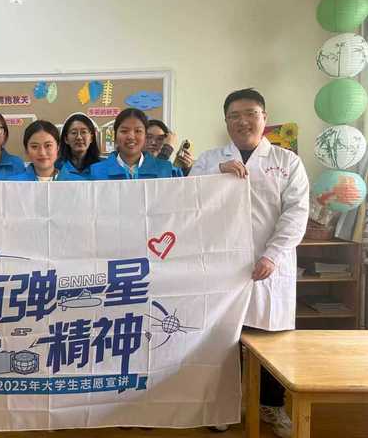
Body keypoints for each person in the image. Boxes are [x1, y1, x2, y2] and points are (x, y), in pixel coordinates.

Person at [190, 89, 309, 438]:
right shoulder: (210, 160)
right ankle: (224, 405)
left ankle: (272, 406)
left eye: (250, 114)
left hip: (268, 267)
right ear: (226, 121)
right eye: (234, 116)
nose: (243, 121)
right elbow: (187, 198)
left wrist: (273, 255)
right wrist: (216, 175)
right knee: (223, 340)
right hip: (221, 268)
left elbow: (296, 213)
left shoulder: (287, 162)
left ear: (264, 117)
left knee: (270, 341)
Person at [90, 108, 183, 180]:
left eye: (138, 131)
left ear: (145, 136)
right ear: (115, 136)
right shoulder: (96, 171)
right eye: (124, 131)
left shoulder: (167, 170)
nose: (131, 137)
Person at [56, 112, 101, 180]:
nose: (79, 137)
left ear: (91, 138)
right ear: (66, 139)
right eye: (74, 133)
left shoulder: (102, 166)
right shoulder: (57, 166)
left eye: (84, 132)